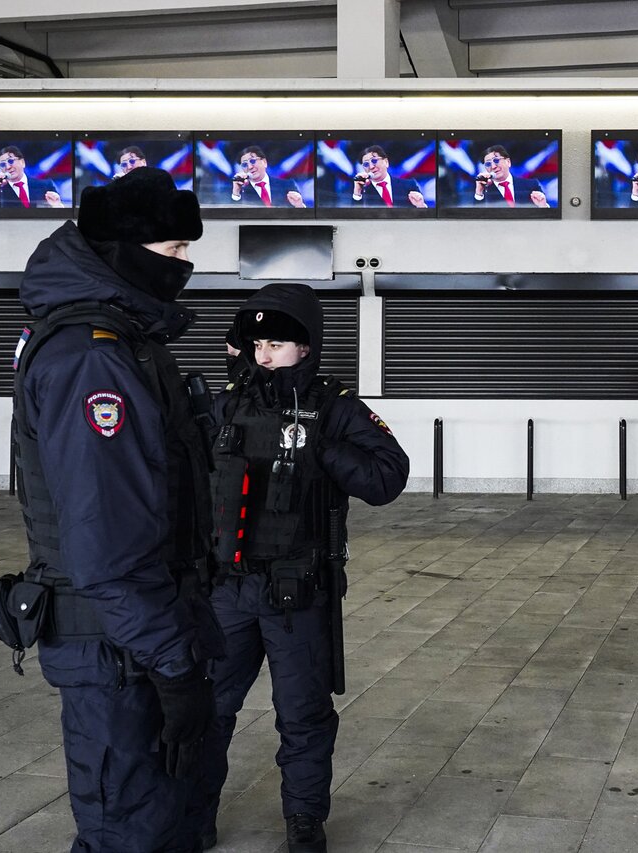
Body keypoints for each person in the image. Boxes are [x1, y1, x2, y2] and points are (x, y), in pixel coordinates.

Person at [12, 166, 219, 852]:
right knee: (129, 832)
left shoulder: (128, 344)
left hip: (137, 637)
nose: (184, 265)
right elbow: (109, 536)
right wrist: (172, 664)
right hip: (120, 649)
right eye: (172, 251)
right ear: (122, 253)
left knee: (161, 821)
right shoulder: (92, 360)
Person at [195, 283, 410, 853]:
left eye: (277, 343)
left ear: (306, 347)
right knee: (206, 710)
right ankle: (195, 814)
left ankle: (303, 821)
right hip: (227, 592)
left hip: (298, 594)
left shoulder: (334, 405)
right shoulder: (225, 404)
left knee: (304, 717)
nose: (264, 354)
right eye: (257, 343)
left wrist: (322, 449)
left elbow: (388, 476)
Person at [351, 145, 426, 208]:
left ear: (386, 162)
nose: (371, 167)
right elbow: (354, 219)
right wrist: (357, 192)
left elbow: (423, 218)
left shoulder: (408, 185)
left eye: (374, 161)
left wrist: (421, 206)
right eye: (366, 164)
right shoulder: (363, 191)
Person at [0, 144, 64, 208]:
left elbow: (60, 215)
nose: (8, 167)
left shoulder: (45, 186)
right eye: (3, 164)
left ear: (22, 162)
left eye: (11, 161)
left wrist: (58, 206)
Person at [231, 145, 307, 208]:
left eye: (252, 161)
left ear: (264, 162)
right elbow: (232, 215)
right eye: (244, 164)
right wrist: (236, 192)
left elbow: (304, 217)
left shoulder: (287, 185)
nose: (250, 167)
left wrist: (299, 206)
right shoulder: (240, 191)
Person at [473, 145, 548, 207]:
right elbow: (475, 219)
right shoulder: (483, 191)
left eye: (496, 160)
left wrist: (543, 207)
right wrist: (479, 192)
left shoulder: (531, 185)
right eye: (488, 164)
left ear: (508, 162)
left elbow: (548, 217)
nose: (493, 166)